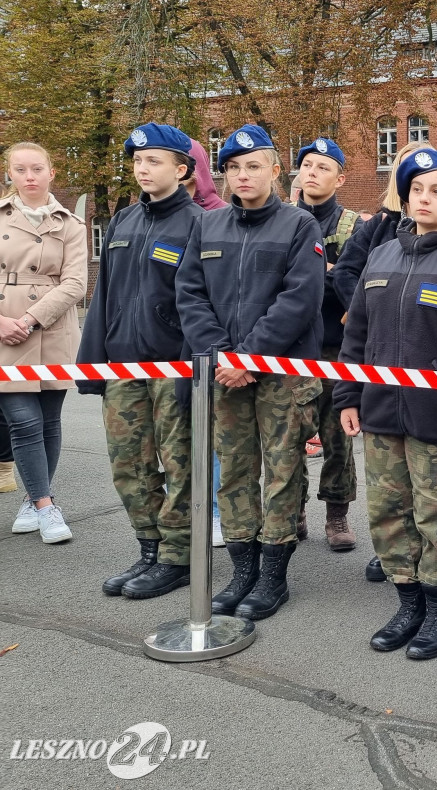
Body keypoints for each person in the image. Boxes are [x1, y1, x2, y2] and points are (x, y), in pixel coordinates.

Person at [335, 149, 437, 660]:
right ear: (405, 197)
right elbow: (356, 332)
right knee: (387, 514)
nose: (426, 199)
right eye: (418, 190)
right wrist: (348, 395)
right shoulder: (381, 257)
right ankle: (408, 603)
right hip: (381, 414)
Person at [176, 124, 324, 620]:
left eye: (253, 166)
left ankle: (274, 577)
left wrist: (250, 358)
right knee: (234, 469)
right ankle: (243, 571)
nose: (242, 175)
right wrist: (222, 356)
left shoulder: (300, 225)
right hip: (222, 371)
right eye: (233, 168)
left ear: (275, 169)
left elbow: (299, 299)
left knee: (282, 470)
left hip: (281, 372)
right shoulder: (206, 226)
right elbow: (189, 294)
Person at [78, 123, 202, 598]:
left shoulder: (198, 224)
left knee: (179, 465)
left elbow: (199, 305)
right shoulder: (125, 221)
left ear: (181, 168)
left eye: (154, 161)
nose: (143, 169)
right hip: (122, 368)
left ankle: (176, 556)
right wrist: (93, 367)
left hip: (172, 368)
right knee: (128, 464)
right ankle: (148, 548)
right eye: (137, 161)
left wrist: (194, 370)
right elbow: (103, 296)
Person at [334, 139, 430, 582]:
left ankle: (431, 569)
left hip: (428, 374)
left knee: (431, 487)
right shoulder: (380, 228)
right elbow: (349, 271)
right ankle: (394, 558)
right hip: (380, 358)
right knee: (389, 484)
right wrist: (358, 308)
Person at [0, 142, 86, 544]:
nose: (29, 176)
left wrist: (33, 318)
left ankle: (34, 499)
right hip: (3, 330)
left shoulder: (70, 223)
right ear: (10, 175)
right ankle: (47, 506)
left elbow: (76, 282)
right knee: (23, 420)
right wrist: (2, 323)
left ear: (52, 172)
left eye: (37, 168)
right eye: (20, 170)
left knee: (49, 421)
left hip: (51, 328)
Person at [293, 137, 361, 551]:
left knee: (337, 438)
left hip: (337, 347)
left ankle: (337, 516)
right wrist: (329, 269)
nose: (313, 172)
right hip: (295, 347)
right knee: (289, 436)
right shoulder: (281, 219)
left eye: (323, 166)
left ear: (340, 177)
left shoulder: (354, 225)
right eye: (308, 165)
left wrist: (318, 272)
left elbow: (353, 283)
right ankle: (295, 508)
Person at [184, 138, 228, 547]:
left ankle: (214, 512)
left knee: (215, 436)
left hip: (218, 353)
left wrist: (228, 353)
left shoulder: (217, 217)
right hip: (178, 348)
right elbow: (188, 290)